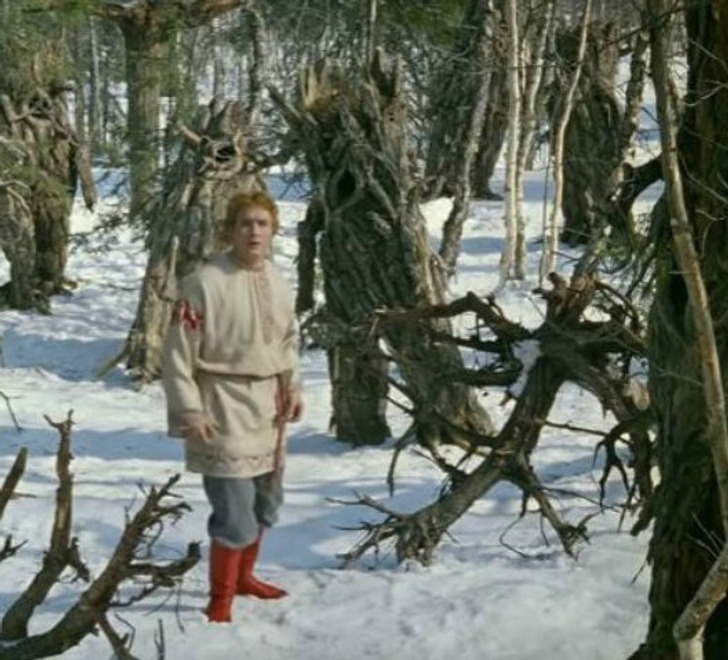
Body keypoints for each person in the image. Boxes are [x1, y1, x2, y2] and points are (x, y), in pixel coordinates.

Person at [162, 190, 303, 623]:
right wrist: (189, 409)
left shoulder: (277, 279)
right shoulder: (204, 282)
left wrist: (293, 386)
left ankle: (244, 578)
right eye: (245, 223)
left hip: (268, 408)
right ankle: (220, 597)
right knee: (235, 513)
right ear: (229, 230)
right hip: (221, 406)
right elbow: (177, 353)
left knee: (266, 505)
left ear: (273, 230)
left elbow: (288, 342)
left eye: (262, 223)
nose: (254, 232)